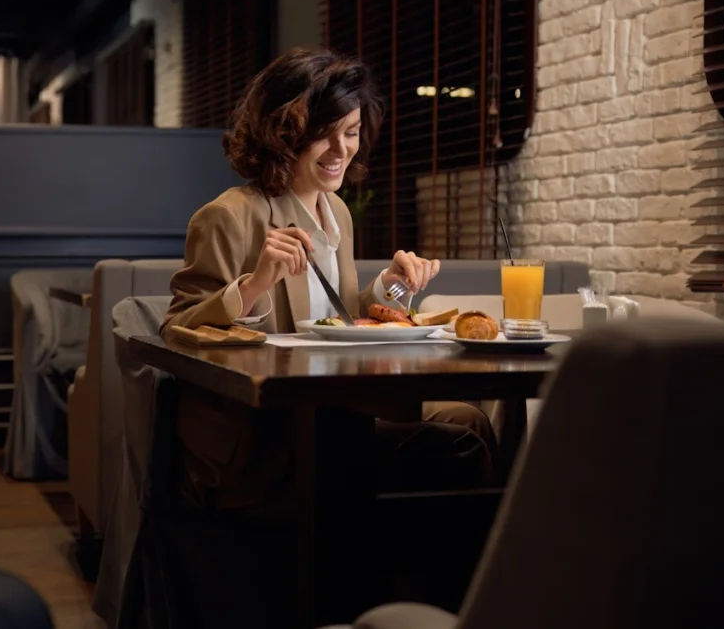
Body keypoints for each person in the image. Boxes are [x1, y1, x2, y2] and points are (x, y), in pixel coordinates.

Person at [153, 48, 497, 627]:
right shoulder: (229, 216)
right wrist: (255, 283)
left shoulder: (335, 211)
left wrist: (391, 291)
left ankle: (427, 599)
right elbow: (178, 327)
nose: (342, 151)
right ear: (283, 133)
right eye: (325, 136)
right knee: (455, 445)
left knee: (470, 420)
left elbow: (339, 318)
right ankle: (417, 599)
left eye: (353, 133)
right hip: (262, 433)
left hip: (327, 411)